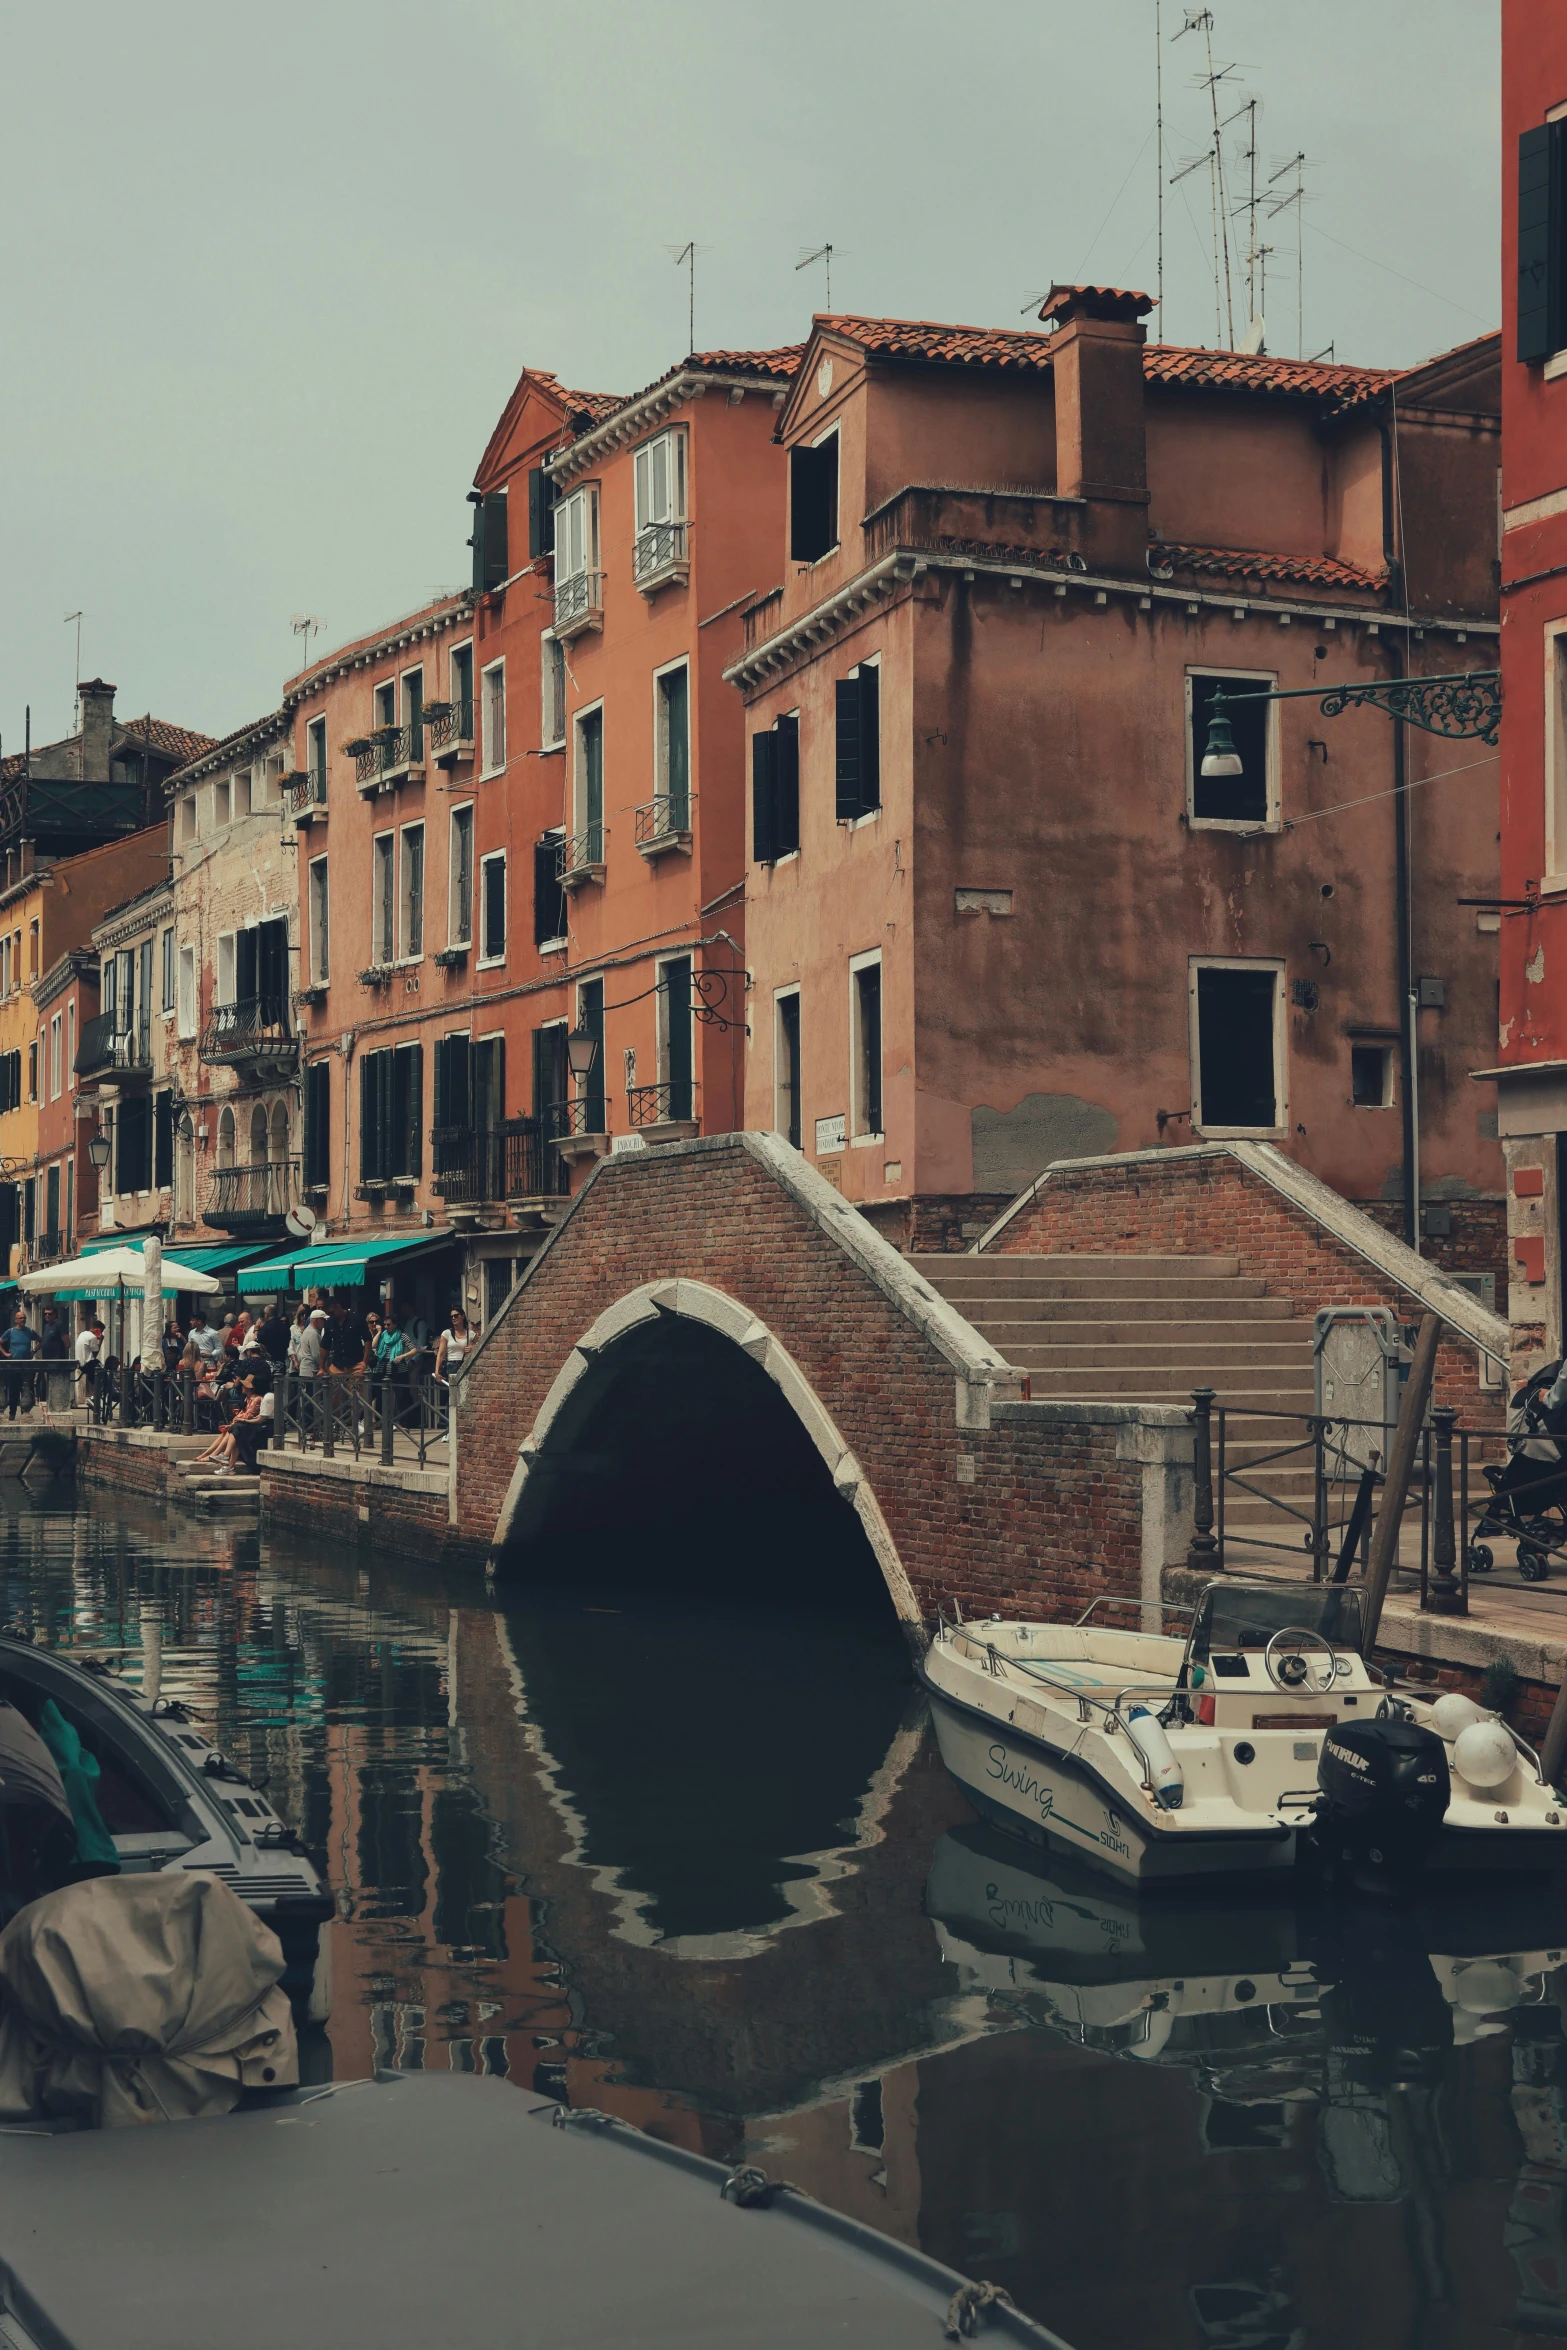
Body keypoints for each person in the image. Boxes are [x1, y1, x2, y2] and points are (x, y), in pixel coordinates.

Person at [3, 1310, 38, 1422]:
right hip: (14, 1365)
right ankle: (12, 1412)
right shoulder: (11, 1332)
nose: (22, 1320)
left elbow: (41, 1340)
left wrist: (33, 1351)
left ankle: (25, 1412)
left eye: (24, 1318)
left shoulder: (30, 1331)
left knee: (26, 1389)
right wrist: (5, 1353)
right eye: (20, 1318)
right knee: (13, 1390)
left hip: (26, 1365)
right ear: (16, 1320)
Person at [74, 1318, 101, 1409]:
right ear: (98, 1329)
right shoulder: (92, 1337)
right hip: (89, 1363)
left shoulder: (82, 1334)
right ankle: (94, 1398)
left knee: (95, 1380)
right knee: (102, 1378)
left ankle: (95, 1397)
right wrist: (100, 1340)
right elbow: (95, 1353)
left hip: (81, 1364)